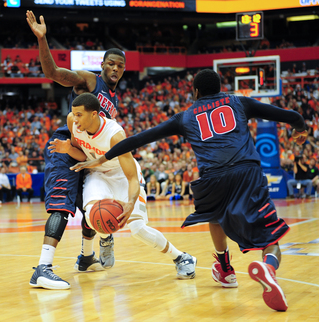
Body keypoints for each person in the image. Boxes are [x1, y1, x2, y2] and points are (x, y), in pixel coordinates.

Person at [72, 69, 308, 311]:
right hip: (246, 171)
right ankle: (268, 267)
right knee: (270, 237)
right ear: (220, 88)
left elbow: (139, 139)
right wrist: (300, 127)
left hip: (211, 178)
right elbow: (289, 115)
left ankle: (226, 270)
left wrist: (102, 159)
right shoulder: (239, 102)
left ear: (195, 92)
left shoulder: (185, 116)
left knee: (214, 215)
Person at [48, 93, 196, 286]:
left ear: (94, 114)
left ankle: (181, 257)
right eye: (73, 114)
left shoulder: (115, 135)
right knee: (93, 216)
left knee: (137, 229)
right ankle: (105, 237)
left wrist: (130, 202)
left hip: (122, 176)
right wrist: (68, 149)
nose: (74, 119)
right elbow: (84, 156)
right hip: (97, 173)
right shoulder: (73, 122)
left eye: (79, 115)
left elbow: (132, 176)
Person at [27, 10, 126, 290]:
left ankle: (85, 257)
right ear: (103, 65)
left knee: (91, 204)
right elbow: (53, 73)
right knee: (62, 205)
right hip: (66, 145)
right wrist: (43, 39)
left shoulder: (113, 99)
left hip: (89, 152)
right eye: (111, 64)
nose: (115, 69)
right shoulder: (90, 81)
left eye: (120, 65)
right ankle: (43, 269)